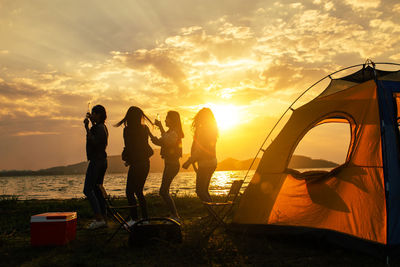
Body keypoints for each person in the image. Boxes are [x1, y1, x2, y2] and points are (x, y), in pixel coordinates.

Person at [115, 106, 154, 225]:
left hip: (136, 163)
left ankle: (134, 219)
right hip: (145, 163)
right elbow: (144, 147)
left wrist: (127, 158)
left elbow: (129, 147)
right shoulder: (145, 128)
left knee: (129, 192)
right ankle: (145, 219)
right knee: (139, 191)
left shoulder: (127, 130)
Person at [151, 111, 184, 221]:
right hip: (169, 164)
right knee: (164, 191)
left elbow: (167, 141)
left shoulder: (175, 132)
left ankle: (175, 216)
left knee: (163, 191)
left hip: (172, 165)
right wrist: (152, 136)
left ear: (173, 120)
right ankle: (174, 215)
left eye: (167, 118)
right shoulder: (171, 132)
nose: (165, 120)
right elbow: (162, 141)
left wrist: (160, 126)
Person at [182, 108, 218, 202]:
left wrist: (188, 162)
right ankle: (212, 214)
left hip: (205, 163)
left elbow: (200, 150)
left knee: (200, 191)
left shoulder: (203, 131)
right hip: (213, 162)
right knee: (204, 191)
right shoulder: (212, 130)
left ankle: (213, 214)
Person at [83, 104, 108, 229]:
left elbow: (93, 141)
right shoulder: (102, 127)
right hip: (102, 160)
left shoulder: (98, 128)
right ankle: (103, 217)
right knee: (97, 189)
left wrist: (87, 127)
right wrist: (91, 124)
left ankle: (99, 218)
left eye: (93, 113)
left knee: (87, 189)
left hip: (97, 161)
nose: (92, 115)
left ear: (99, 114)